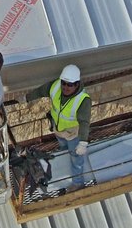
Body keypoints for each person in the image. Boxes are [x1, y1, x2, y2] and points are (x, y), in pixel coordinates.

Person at [25, 64, 92, 192]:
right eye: (64, 83)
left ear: (77, 84)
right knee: (63, 150)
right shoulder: (56, 86)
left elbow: (84, 122)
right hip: (59, 130)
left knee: (75, 158)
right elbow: (41, 91)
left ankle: (78, 183)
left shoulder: (83, 100)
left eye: (70, 84)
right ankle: (66, 168)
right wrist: (27, 98)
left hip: (73, 134)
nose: (65, 87)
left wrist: (83, 142)